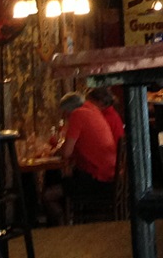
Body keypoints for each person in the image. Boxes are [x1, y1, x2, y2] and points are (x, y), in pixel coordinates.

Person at [43, 90, 117, 224]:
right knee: (59, 179)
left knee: (48, 195)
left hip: (96, 180)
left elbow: (66, 152)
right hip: (110, 176)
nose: (65, 118)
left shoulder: (78, 114)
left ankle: (63, 226)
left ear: (68, 111)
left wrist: (54, 152)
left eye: (64, 114)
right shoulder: (94, 111)